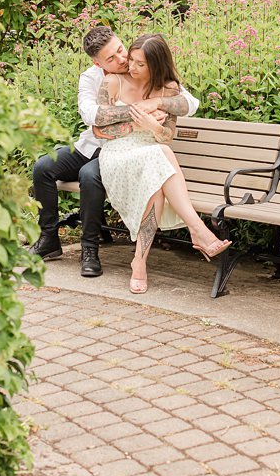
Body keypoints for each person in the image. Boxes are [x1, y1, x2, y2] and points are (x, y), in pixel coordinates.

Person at [30, 25, 200, 277]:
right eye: (111, 58)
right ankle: (49, 238)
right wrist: (141, 110)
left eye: (120, 50)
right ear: (98, 64)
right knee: (43, 167)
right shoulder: (91, 77)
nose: (122, 60)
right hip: (91, 145)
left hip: (120, 151)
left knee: (89, 176)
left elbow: (190, 103)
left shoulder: (140, 63)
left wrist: (158, 102)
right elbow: (91, 115)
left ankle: (90, 248)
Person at [92, 32, 230, 294]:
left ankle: (139, 262)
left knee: (157, 174)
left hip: (151, 155)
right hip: (118, 155)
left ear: (156, 65)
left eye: (139, 64)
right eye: (131, 60)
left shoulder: (169, 90)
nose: (130, 67)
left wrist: (153, 124)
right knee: (162, 154)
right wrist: (137, 121)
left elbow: (166, 135)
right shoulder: (113, 82)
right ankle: (198, 229)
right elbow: (99, 129)